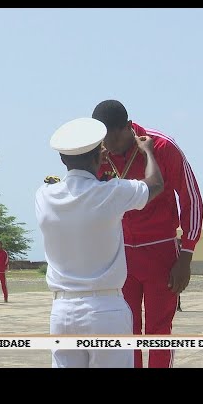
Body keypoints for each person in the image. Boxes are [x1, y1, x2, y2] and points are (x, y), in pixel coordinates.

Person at [35, 117, 164, 368]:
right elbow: (156, 184)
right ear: (99, 157)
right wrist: (148, 151)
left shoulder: (44, 196)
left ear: (63, 159)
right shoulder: (111, 193)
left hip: (62, 312)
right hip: (105, 309)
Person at [92, 99, 203, 369]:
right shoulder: (96, 153)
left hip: (161, 253)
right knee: (126, 330)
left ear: (128, 128)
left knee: (158, 332)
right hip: (120, 256)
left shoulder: (163, 146)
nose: (107, 146)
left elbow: (192, 201)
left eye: (112, 139)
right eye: (102, 140)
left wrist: (186, 256)